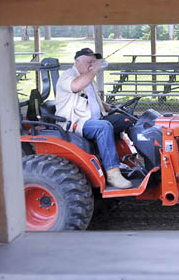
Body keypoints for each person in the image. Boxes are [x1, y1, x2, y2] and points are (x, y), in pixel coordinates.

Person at [55, 48, 133, 189]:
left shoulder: (89, 79)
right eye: (88, 61)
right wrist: (95, 69)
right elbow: (76, 86)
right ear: (77, 61)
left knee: (125, 119)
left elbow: (93, 99)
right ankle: (113, 173)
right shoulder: (68, 76)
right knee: (103, 127)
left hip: (95, 119)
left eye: (93, 61)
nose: (92, 64)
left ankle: (130, 160)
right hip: (76, 123)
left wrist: (111, 107)